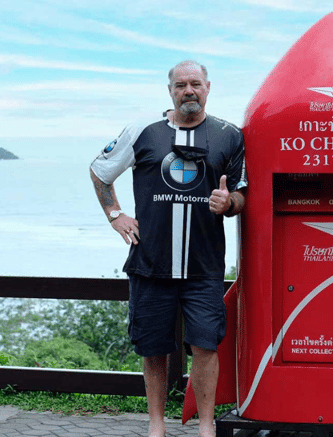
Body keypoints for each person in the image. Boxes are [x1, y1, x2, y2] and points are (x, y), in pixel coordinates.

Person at [90, 60, 247, 437]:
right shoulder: (142, 131)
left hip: (204, 267)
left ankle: (206, 426)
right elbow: (100, 170)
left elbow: (243, 194)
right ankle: (156, 426)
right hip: (150, 263)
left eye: (195, 84)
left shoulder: (230, 136)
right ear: (170, 91)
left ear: (208, 87)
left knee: (206, 346)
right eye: (180, 85)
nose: (188, 91)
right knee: (153, 349)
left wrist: (229, 204)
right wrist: (115, 214)